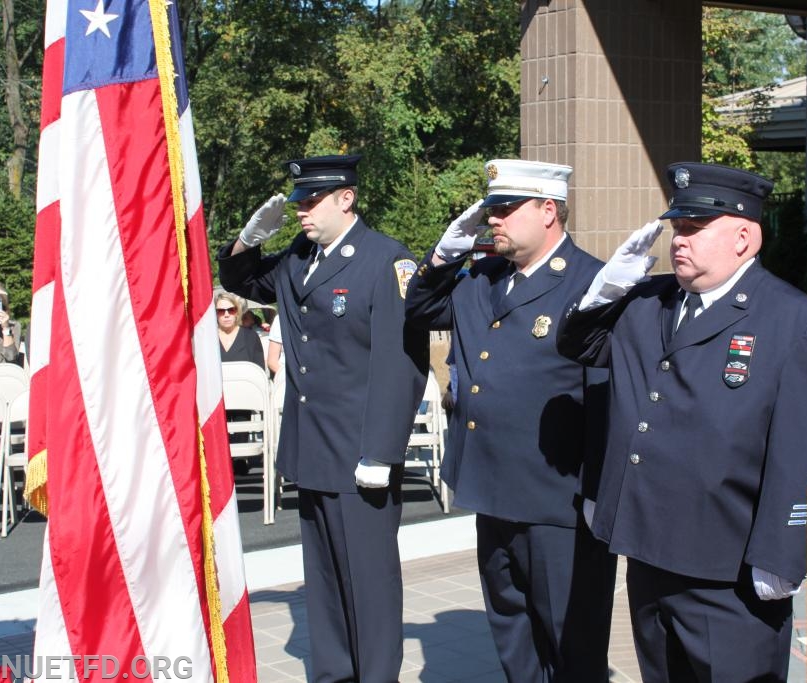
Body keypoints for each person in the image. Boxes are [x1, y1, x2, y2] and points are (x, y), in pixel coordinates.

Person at [557, 162, 807, 682]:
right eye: (677, 228)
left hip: (728, 572)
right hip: (648, 550)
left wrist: (784, 557)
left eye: (695, 228)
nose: (679, 241)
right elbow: (578, 344)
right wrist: (606, 287)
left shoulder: (800, 326)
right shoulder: (647, 302)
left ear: (744, 237)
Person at [217, 154, 428, 683]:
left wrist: (382, 451)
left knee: (370, 583)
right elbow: (242, 279)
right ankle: (335, 673)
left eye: (311, 201)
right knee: (326, 578)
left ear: (346, 199)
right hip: (312, 447)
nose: (301, 212)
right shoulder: (298, 257)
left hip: (361, 453)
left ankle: (377, 676)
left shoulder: (386, 261)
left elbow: (401, 364)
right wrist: (248, 240)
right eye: (298, 203)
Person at [405, 159, 617, 682]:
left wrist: (601, 492)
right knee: (512, 631)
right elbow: (420, 309)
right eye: (490, 209)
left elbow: (607, 398)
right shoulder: (481, 277)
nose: (492, 219)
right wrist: (443, 254)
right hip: (491, 490)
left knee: (571, 643)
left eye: (504, 208)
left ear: (549, 210)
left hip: (558, 500)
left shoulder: (591, 283)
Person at [216, 291, 265, 369]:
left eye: (231, 310)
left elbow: (259, 371)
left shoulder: (251, 337)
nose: (226, 314)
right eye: (221, 311)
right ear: (215, 313)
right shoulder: (208, 339)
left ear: (237, 312)